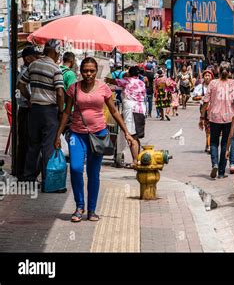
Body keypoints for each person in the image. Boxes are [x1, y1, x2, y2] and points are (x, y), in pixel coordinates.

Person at [54, 57, 136, 222]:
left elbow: (113, 111)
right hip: (77, 134)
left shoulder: (104, 88)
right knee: (76, 169)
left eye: (92, 70)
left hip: (98, 135)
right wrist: (58, 135)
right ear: (80, 71)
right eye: (85, 71)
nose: (88, 74)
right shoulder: (73, 88)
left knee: (93, 173)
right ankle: (79, 207)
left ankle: (91, 210)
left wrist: (126, 132)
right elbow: (66, 113)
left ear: (96, 71)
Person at [18, 39, 64, 185]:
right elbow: (60, 93)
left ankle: (29, 178)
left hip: (34, 110)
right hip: (49, 111)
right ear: (54, 51)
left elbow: (21, 85)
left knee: (33, 145)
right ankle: (47, 180)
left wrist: (30, 98)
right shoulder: (55, 68)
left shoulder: (33, 65)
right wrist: (61, 110)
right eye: (58, 52)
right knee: (48, 147)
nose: (58, 55)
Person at [200, 62, 234, 179]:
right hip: (229, 117)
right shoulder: (232, 83)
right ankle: (221, 172)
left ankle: (215, 164)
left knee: (213, 142)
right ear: (229, 72)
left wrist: (202, 116)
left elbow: (206, 101)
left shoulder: (213, 83)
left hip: (214, 117)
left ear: (218, 71)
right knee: (224, 144)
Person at [105, 66, 146, 165]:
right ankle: (137, 159)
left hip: (131, 109)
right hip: (141, 109)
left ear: (130, 73)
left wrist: (107, 79)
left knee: (131, 136)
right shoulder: (141, 82)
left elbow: (114, 82)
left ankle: (135, 161)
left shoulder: (127, 81)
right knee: (136, 136)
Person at [16, 46, 40, 180]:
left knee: (29, 142)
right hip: (25, 111)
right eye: (34, 56)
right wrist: (31, 99)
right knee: (26, 143)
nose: (36, 58)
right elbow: (21, 89)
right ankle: (22, 174)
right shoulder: (26, 72)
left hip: (29, 111)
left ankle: (25, 173)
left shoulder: (31, 70)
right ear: (27, 58)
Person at [192, 69, 214, 153]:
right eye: (206, 75)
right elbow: (194, 97)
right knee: (207, 128)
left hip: (215, 109)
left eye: (209, 75)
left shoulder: (215, 86)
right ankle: (208, 145)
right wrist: (201, 97)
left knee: (212, 128)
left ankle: (209, 144)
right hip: (204, 110)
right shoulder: (200, 87)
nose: (207, 77)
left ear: (212, 77)